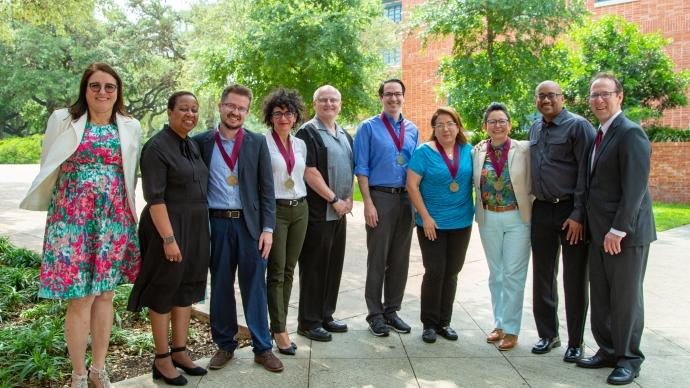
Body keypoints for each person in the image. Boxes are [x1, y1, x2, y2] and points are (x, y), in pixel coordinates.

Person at [20, 63, 141, 388]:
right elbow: (50, 164)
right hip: (71, 222)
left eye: (109, 87)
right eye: (95, 86)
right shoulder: (63, 119)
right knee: (79, 299)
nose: (102, 92)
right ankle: (77, 374)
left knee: (105, 295)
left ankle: (98, 370)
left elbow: (129, 174)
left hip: (113, 221)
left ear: (118, 92)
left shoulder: (130, 125)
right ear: (84, 89)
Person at [192, 84, 283, 373]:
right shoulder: (201, 142)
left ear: (247, 112)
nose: (235, 112)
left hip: (250, 226)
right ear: (221, 106)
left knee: (254, 285)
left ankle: (262, 347)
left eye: (242, 108)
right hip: (216, 223)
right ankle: (225, 344)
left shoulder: (257, 143)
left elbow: (267, 191)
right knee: (220, 284)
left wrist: (268, 228)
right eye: (231, 106)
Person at [576, 73, 656, 386]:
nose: (598, 100)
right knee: (603, 296)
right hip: (599, 233)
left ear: (619, 96)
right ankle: (607, 350)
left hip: (624, 235)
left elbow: (635, 188)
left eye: (604, 94)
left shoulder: (630, 133)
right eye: (593, 95)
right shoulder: (601, 133)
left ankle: (629, 358)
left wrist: (618, 230)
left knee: (625, 299)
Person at [126, 92, 209, 386]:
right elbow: (155, 197)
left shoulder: (191, 145)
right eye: (184, 109)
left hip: (196, 226)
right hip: (168, 226)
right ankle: (161, 358)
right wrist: (169, 239)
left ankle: (179, 352)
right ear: (170, 111)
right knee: (164, 290)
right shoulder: (157, 147)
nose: (190, 114)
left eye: (194, 109)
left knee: (186, 289)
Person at [528, 80, 595, 362]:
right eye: (541, 96)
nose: (546, 100)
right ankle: (548, 334)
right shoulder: (535, 128)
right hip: (542, 209)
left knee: (574, 277)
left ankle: (576, 342)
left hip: (571, 211)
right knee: (543, 276)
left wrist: (579, 213)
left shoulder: (579, 126)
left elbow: (587, 173)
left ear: (562, 98)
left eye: (551, 95)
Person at [354, 79, 419, 337]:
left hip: (406, 199)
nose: (394, 98)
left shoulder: (413, 129)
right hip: (379, 198)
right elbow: (361, 167)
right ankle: (375, 314)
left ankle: (392, 310)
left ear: (404, 97)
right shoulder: (368, 128)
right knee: (378, 258)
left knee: (400, 259)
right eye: (389, 94)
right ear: (381, 97)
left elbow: (417, 168)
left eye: (398, 94)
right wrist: (367, 202)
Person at [406, 107, 473, 344]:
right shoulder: (424, 152)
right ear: (434, 129)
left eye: (450, 123)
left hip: (462, 222)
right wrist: (425, 217)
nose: (446, 128)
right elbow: (412, 185)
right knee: (435, 271)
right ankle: (429, 324)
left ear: (458, 126)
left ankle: (445, 322)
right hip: (432, 223)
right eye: (440, 124)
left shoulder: (468, 151)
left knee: (452, 272)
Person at [294, 85, 354, 342]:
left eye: (334, 100)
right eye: (324, 100)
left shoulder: (344, 133)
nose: (329, 104)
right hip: (319, 213)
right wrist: (334, 199)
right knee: (314, 267)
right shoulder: (307, 132)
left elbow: (350, 168)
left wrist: (349, 199)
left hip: (339, 213)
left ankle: (326, 315)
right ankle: (308, 321)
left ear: (340, 104)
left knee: (333, 265)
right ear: (315, 103)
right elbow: (309, 171)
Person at [472, 103, 532, 351]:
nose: (497, 125)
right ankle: (499, 324)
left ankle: (512, 329)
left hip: (517, 219)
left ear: (510, 123)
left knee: (512, 275)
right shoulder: (477, 152)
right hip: (488, 218)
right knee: (496, 274)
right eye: (492, 121)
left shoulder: (525, 149)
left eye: (502, 120)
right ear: (485, 126)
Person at [261, 88, 309, 354]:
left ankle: (279, 324)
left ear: (295, 116)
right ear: (270, 116)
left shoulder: (300, 144)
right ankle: (279, 329)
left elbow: (301, 176)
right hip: (276, 211)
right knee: (276, 271)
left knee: (290, 270)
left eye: (288, 113)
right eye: (277, 113)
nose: (283, 118)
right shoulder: (262, 143)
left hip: (300, 209)